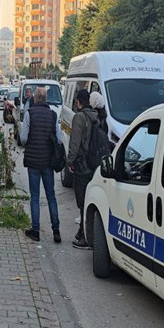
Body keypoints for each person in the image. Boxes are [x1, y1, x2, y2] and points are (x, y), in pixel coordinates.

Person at [20, 87, 62, 243]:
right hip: (48, 162)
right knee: (51, 196)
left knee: (35, 197)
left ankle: (35, 230)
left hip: (33, 161)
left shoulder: (29, 114)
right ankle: (56, 230)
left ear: (35, 99)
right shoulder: (53, 115)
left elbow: (23, 138)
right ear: (46, 99)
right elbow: (58, 139)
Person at [67, 89, 98, 250]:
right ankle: (82, 232)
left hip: (82, 165)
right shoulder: (96, 117)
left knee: (82, 202)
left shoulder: (79, 117)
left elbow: (75, 142)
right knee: (90, 199)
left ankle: (85, 236)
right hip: (94, 164)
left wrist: (70, 161)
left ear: (78, 102)